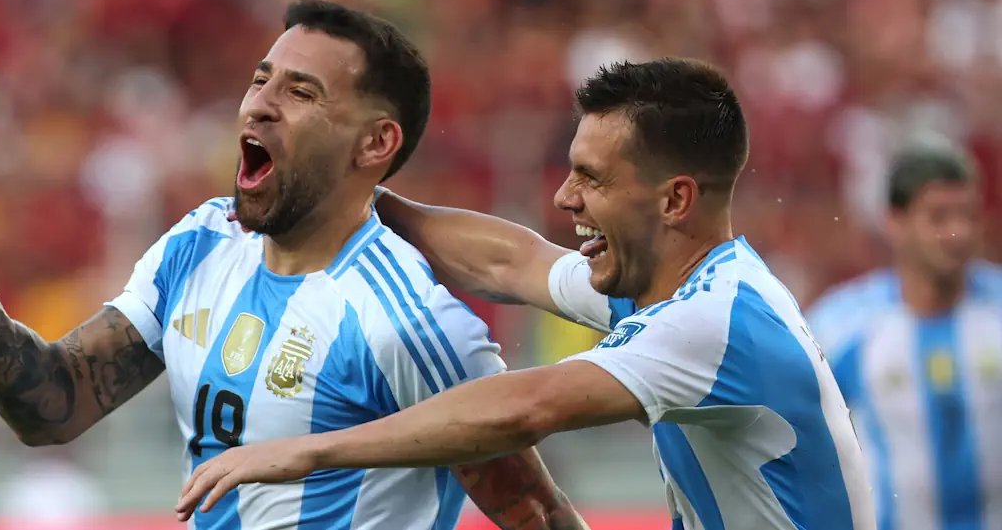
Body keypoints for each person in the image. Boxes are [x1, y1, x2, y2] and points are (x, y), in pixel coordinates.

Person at [0, 0, 587, 530]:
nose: (259, 106)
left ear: (375, 145)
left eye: (301, 92)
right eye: (260, 79)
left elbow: (536, 511)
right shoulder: (199, 244)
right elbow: (51, 404)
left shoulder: (406, 319)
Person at [175, 58, 877, 529]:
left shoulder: (713, 324)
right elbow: (512, 262)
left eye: (592, 178)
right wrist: (348, 194)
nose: (565, 197)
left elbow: (525, 406)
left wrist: (305, 450)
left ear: (675, 199)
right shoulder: (673, 285)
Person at [805, 140, 1002, 530]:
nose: (958, 232)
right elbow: (799, 444)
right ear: (895, 221)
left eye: (967, 215)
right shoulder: (842, 325)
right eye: (939, 217)